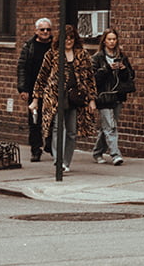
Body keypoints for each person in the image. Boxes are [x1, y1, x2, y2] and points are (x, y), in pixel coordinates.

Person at [36, 25, 87, 180]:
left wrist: (91, 99)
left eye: (71, 38)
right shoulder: (52, 54)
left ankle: (66, 161)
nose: (69, 41)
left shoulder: (81, 55)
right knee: (58, 128)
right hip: (57, 96)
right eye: (66, 38)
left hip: (74, 96)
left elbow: (89, 77)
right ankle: (58, 160)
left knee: (72, 131)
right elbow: (42, 76)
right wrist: (35, 98)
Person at [92, 28, 136, 164]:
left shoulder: (121, 56)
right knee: (110, 126)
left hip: (117, 95)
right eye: (109, 39)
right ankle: (115, 154)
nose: (112, 42)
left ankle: (97, 152)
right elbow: (93, 78)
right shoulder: (97, 57)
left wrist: (123, 69)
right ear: (104, 41)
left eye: (114, 39)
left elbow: (131, 75)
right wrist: (107, 69)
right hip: (104, 96)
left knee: (108, 126)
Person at [16, 16, 56, 162]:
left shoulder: (55, 46)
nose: (45, 32)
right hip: (33, 90)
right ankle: (35, 149)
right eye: (42, 29)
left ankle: (50, 144)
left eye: (48, 29)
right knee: (34, 120)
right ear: (36, 31)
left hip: (51, 89)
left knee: (52, 118)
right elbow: (22, 68)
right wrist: (23, 89)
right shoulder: (29, 46)